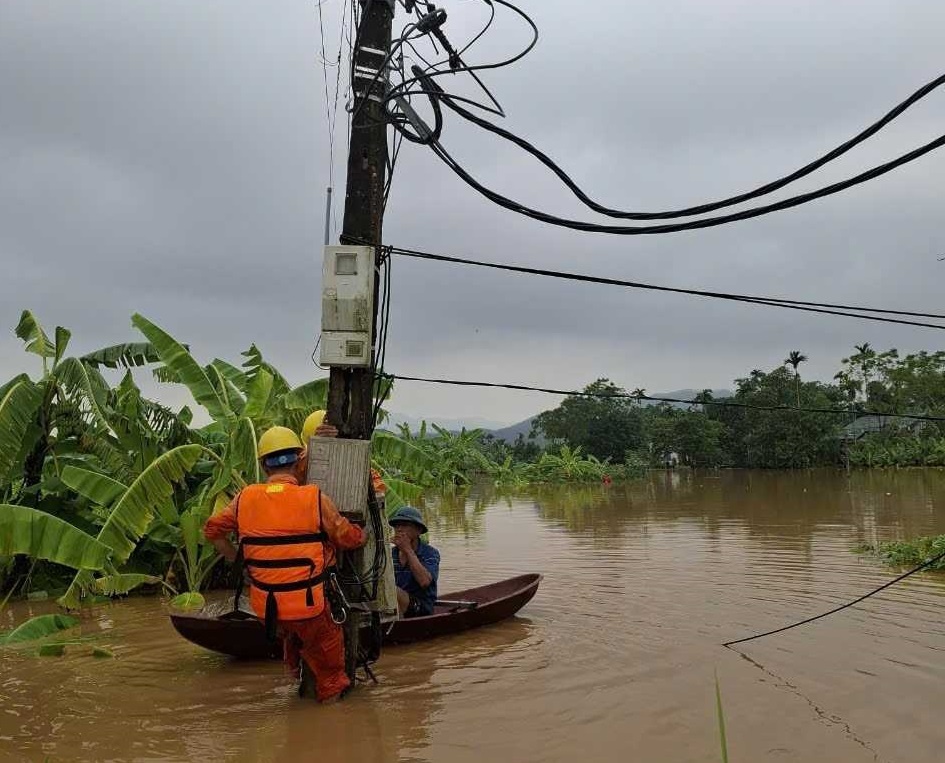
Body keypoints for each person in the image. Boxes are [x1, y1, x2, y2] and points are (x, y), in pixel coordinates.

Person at [203, 426, 366, 704]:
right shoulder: (314, 497)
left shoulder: (245, 498)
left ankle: (296, 673)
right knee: (331, 672)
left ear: (263, 464)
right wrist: (363, 534)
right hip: (309, 606)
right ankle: (333, 725)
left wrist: (239, 564)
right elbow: (346, 537)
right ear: (300, 460)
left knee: (292, 634)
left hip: (267, 607)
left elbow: (212, 531)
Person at [389, 506, 439, 618]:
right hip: (396, 605)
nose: (399, 529)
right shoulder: (390, 555)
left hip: (421, 607)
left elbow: (425, 581)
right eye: (397, 525)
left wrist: (407, 550)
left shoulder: (430, 553)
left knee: (392, 591)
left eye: (405, 525)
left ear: (418, 530)